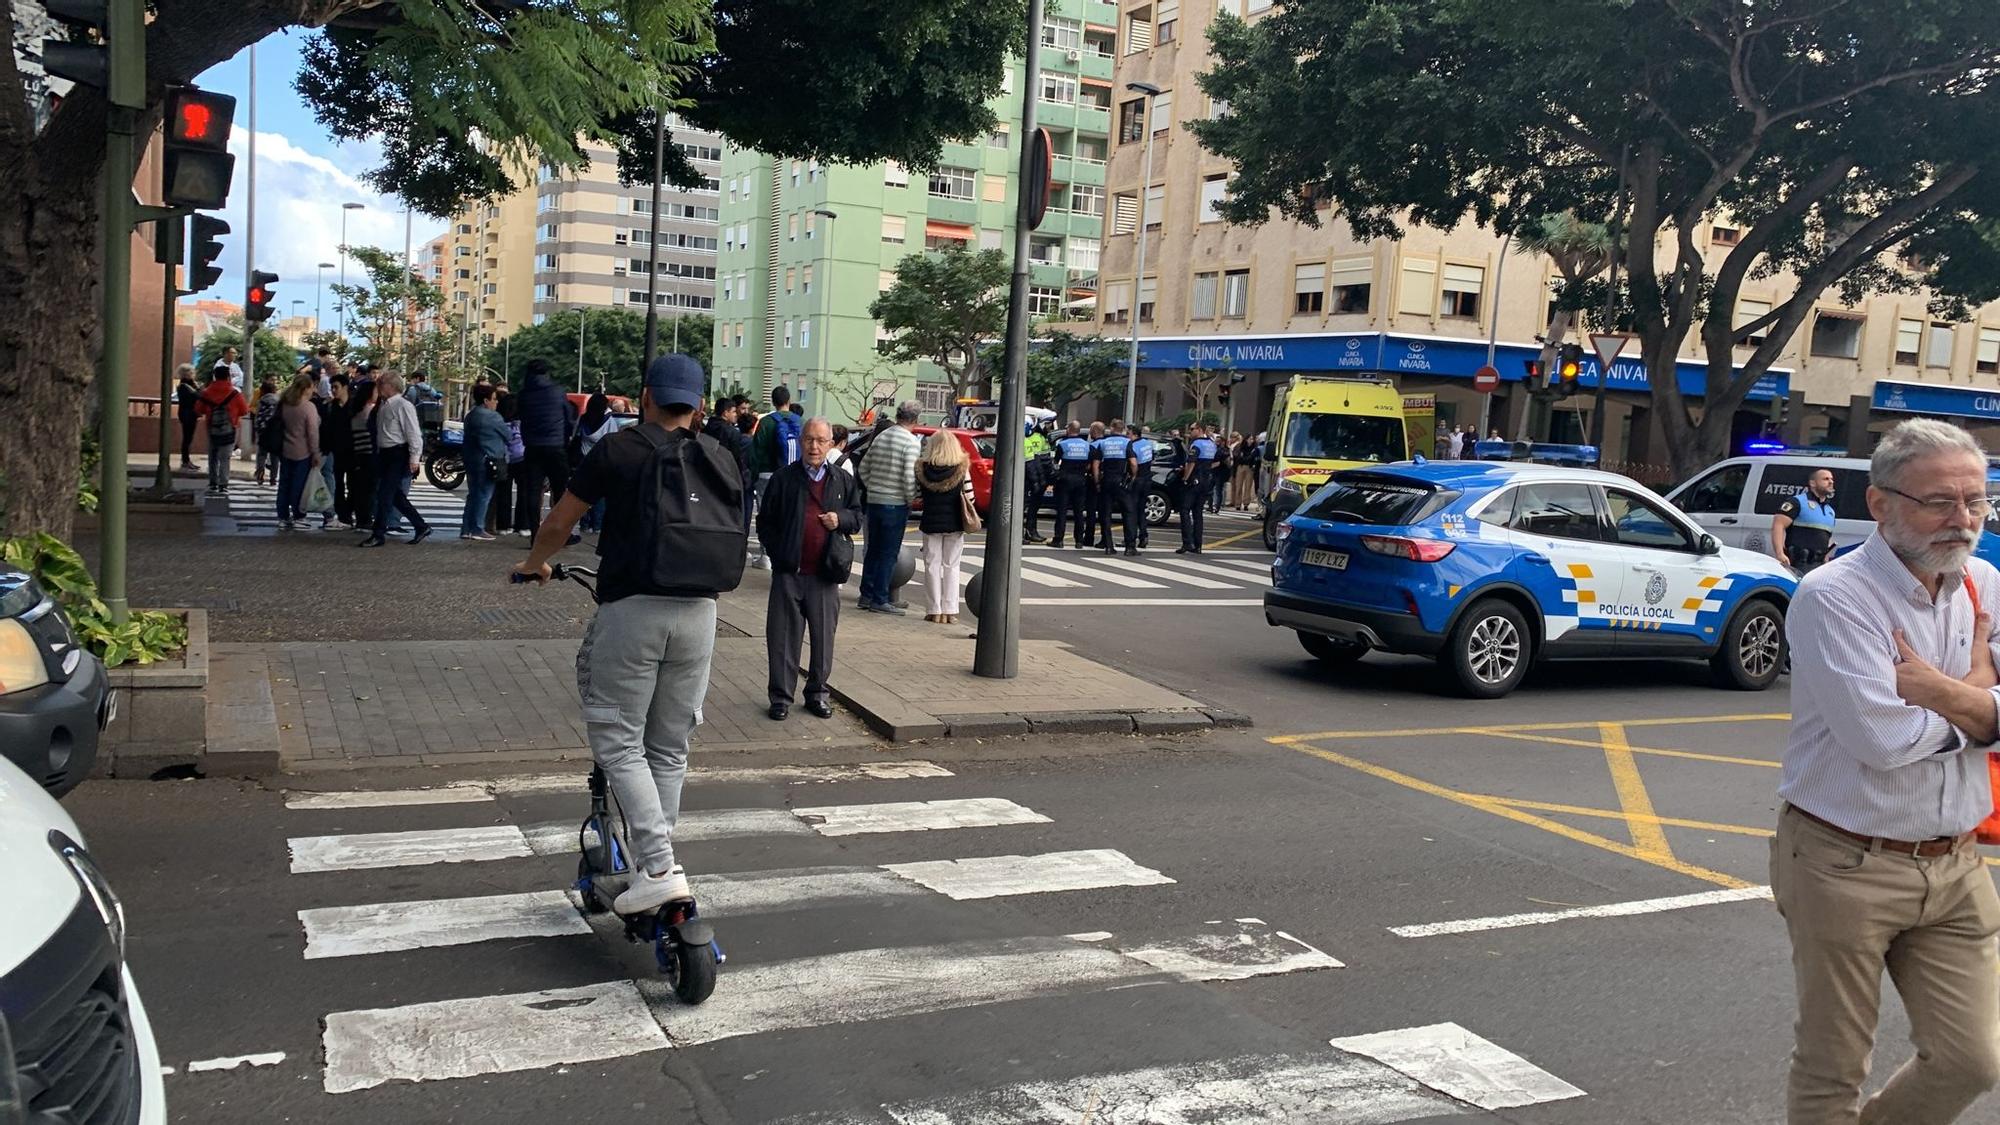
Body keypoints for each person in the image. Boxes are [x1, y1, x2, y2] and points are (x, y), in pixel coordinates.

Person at [1775, 418, 2000, 1125]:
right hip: (1845, 861)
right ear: (1880, 503)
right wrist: (1982, 702)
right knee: (1834, 1063)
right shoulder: (1836, 595)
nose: (1961, 519)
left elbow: (1920, 718)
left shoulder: (1984, 583)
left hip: (1957, 864)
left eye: (1977, 499)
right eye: (1939, 501)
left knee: (1973, 1058)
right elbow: (1884, 738)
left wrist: (1938, 690)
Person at [513, 354, 745, 914]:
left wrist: (534, 564)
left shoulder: (619, 449)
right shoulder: (722, 455)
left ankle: (660, 866)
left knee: (617, 739)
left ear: (645, 398)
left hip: (635, 607)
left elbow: (559, 523)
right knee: (669, 746)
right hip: (702, 613)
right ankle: (651, 866)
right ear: (698, 406)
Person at [758, 417, 861, 719]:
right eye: (808, 440)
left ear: (830, 444)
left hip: (825, 573)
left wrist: (839, 519)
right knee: (782, 638)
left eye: (820, 441)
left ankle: (817, 693)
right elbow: (766, 522)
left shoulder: (842, 480)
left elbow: (857, 517)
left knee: (823, 638)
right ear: (800, 442)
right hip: (789, 571)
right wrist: (779, 554)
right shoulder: (783, 478)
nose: (814, 446)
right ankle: (780, 697)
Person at [853, 401, 921, 615]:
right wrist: (910, 498)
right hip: (895, 503)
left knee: (873, 549)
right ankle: (880, 598)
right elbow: (910, 477)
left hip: (874, 501)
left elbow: (863, 468)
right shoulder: (911, 442)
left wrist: (873, 486)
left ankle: (866, 594)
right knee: (888, 552)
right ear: (915, 419)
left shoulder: (881, 437)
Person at [359, 373, 431, 547]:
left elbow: (413, 433)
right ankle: (421, 526)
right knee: (394, 495)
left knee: (385, 494)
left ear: (390, 386)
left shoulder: (403, 405)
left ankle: (378, 533)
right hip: (385, 453)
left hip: (397, 453)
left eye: (381, 385)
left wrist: (414, 458)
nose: (379, 389)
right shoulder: (384, 405)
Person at [915, 428, 976, 623]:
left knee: (931, 565)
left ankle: (934, 610)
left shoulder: (922, 469)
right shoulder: (961, 469)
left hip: (931, 522)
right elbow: (971, 497)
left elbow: (917, 496)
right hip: (955, 522)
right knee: (952, 565)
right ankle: (950, 611)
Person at [515, 359, 574, 534]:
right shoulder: (558, 391)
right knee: (560, 491)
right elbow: (569, 418)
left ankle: (534, 532)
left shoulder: (524, 394)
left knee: (533, 490)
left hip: (532, 447)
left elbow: (521, 418)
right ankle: (561, 532)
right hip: (556, 446)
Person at [745, 385, 800, 570]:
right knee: (790, 512)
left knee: (766, 514)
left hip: (766, 475)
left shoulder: (766, 422)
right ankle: (789, 552)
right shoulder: (799, 421)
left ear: (773, 401)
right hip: (792, 476)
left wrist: (753, 475)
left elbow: (755, 453)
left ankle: (766, 555)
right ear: (789, 400)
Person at [460, 383, 510, 541]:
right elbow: (507, 435)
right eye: (494, 399)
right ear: (486, 400)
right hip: (489, 459)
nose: (496, 402)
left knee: (473, 494)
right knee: (484, 494)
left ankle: (466, 528)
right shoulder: (493, 417)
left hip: (471, 458)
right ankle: (477, 528)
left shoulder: (471, 415)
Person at [274, 373, 321, 530]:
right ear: (306, 388)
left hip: (285, 449)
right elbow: (312, 432)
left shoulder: (285, 404)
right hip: (303, 452)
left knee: (284, 484)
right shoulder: (308, 407)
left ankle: (282, 516)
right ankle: (299, 516)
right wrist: (315, 452)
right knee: (298, 486)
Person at [194, 367, 247, 495]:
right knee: (225, 457)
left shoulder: (207, 392)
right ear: (228, 377)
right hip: (230, 427)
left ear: (215, 377)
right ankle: (223, 484)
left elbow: (198, 409)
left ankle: (213, 482)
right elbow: (244, 410)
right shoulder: (234, 393)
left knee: (213, 456)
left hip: (212, 426)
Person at [1773, 468, 1838, 573]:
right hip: (1797, 563)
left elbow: (1825, 537)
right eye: (1825, 479)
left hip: (1819, 566)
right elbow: (1778, 525)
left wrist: (1826, 560)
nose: (1831, 482)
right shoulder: (1797, 502)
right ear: (1813, 483)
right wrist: (1780, 553)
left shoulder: (1830, 511)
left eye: (1831, 479)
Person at [571, 392, 617, 533]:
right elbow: (614, 441)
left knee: (583, 493)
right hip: (601, 460)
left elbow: (575, 437)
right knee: (600, 495)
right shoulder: (609, 421)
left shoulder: (583, 419)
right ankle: (597, 525)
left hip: (583, 459)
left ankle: (584, 524)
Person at [1092, 418, 1138, 557]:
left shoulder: (1104, 443)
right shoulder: (1126, 443)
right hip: (1121, 481)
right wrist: (1133, 477)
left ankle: (1108, 546)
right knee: (1128, 512)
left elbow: (1095, 466)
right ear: (1123, 429)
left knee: (1105, 514)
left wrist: (1097, 482)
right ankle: (1130, 547)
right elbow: (1133, 463)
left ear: (1111, 428)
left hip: (1107, 480)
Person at [323, 375, 362, 529]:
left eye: (336, 387)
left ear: (345, 387)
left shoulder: (355, 405)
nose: (333, 391)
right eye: (332, 387)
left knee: (354, 485)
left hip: (353, 451)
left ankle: (347, 513)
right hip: (335, 451)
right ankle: (342, 515)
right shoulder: (331, 406)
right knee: (336, 485)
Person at [1051, 421, 1092, 549]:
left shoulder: (1063, 444)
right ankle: (1079, 540)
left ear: (1069, 430)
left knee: (1062, 511)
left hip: (1065, 480)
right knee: (1079, 512)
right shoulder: (1087, 445)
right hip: (1080, 480)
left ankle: (1059, 539)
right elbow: (1089, 464)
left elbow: (1056, 462)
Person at [346, 376, 378, 534]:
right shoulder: (370, 412)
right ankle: (365, 520)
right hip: (369, 454)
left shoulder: (355, 412)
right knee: (368, 490)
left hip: (357, 454)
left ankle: (359, 518)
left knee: (358, 489)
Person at [1179, 424, 1218, 553]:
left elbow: (1191, 463)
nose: (1190, 432)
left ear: (1200, 430)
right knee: (1198, 513)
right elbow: (1217, 462)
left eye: (1192, 429)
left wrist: (1185, 478)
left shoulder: (1196, 444)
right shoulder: (1212, 444)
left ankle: (1187, 542)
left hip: (1195, 480)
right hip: (1206, 481)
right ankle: (1198, 545)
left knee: (1184, 510)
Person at [493, 390, 526, 536]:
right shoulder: (523, 422)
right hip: (522, 458)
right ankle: (523, 525)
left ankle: (503, 525)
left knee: (503, 493)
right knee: (524, 493)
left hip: (504, 458)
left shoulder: (498, 422)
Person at [1022, 420, 1052, 544]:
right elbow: (1031, 464)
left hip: (1027, 479)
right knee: (1022, 508)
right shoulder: (1027, 441)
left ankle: (1029, 532)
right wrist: (1037, 481)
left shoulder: (1033, 439)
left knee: (1029, 509)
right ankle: (1026, 533)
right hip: (1025, 480)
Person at [1129, 423, 1157, 549]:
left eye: (1128, 433)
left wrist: (1133, 477)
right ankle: (1144, 536)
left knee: (1132, 510)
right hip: (1147, 479)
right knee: (1141, 510)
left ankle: (1131, 537)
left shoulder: (1133, 446)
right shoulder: (1147, 443)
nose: (1126, 436)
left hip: (1138, 479)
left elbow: (1133, 464)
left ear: (1134, 434)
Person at [250, 377, 281, 487]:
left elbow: (257, 416)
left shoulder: (261, 401)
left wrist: (256, 429)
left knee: (261, 455)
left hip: (263, 431)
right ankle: (273, 478)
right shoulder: (279, 401)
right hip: (275, 432)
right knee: (275, 456)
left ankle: (260, 474)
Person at [173, 364, 200, 473]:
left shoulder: (189, 385)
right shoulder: (184, 386)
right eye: (191, 373)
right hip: (187, 413)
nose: (193, 375)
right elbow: (197, 396)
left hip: (190, 413)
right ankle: (185, 460)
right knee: (187, 438)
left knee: (189, 437)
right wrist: (197, 388)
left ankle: (187, 460)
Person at [1083, 421, 1106, 544]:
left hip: (1094, 480)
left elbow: (1090, 466)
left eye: (1091, 431)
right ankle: (1104, 539)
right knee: (1104, 511)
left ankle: (1089, 538)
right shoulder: (1107, 444)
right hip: (1107, 479)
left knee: (1091, 510)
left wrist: (1095, 482)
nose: (1090, 433)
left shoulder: (1093, 446)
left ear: (1095, 431)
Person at [1230, 432, 1257, 510]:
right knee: (1239, 485)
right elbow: (1237, 456)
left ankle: (1246, 503)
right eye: (1250, 439)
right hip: (1241, 466)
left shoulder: (1254, 448)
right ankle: (1238, 503)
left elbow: (1254, 457)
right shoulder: (1241, 447)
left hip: (1250, 467)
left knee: (1248, 486)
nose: (1251, 441)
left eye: (1252, 439)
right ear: (1246, 439)